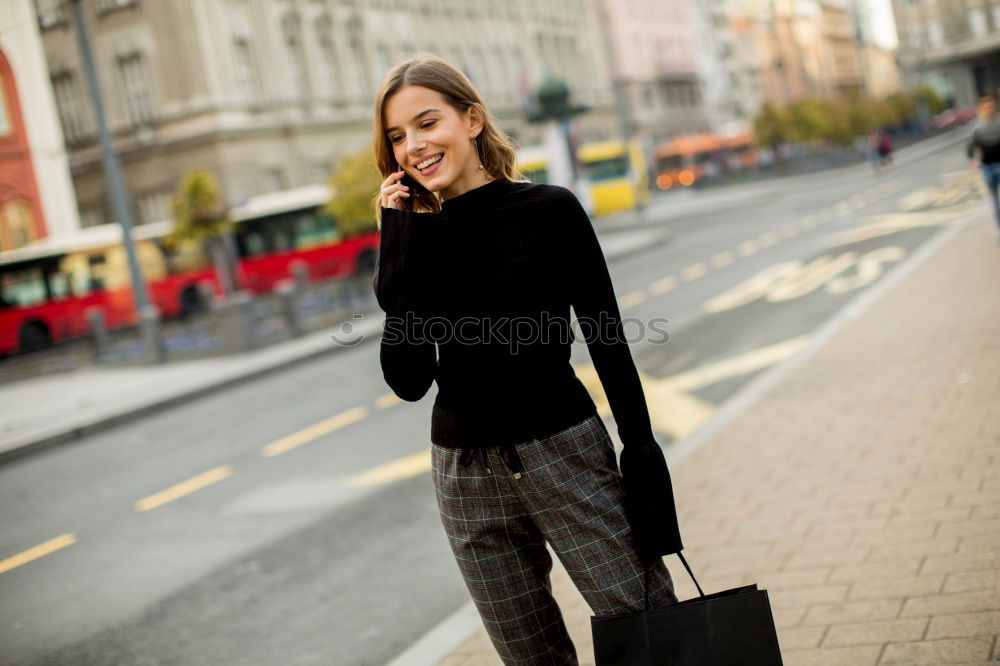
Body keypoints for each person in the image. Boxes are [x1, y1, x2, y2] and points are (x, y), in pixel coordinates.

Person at [371, 53, 683, 665]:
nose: (414, 146)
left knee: (648, 630)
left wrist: (641, 454)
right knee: (530, 658)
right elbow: (408, 380)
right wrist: (397, 241)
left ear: (473, 119)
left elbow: (607, 339)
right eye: (397, 137)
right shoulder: (417, 241)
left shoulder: (548, 210)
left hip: (563, 453)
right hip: (463, 477)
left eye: (427, 123)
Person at [967, 92, 1000, 242]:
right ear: (982, 109)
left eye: (992, 106)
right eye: (987, 107)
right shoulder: (977, 127)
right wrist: (972, 160)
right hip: (987, 168)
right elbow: (970, 146)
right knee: (994, 201)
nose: (990, 109)